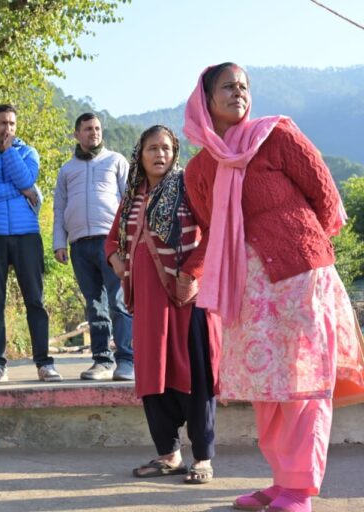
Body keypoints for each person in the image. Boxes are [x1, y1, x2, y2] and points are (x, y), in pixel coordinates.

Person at [183, 63, 364, 511]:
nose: (238, 92)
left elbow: (323, 193)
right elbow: (211, 227)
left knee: (304, 384)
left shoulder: (276, 135)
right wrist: (193, 273)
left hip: (300, 277)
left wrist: (300, 248)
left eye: (244, 86)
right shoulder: (200, 169)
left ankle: (299, 490)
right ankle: (282, 480)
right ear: (205, 100)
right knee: (269, 389)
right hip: (248, 288)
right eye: (228, 86)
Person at [105, 125, 218, 485]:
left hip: (186, 298)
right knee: (154, 377)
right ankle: (168, 453)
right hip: (148, 305)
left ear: (175, 153)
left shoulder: (188, 187)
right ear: (140, 154)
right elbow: (111, 240)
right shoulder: (132, 196)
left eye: (166, 148)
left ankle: (202, 457)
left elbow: (211, 231)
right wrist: (116, 261)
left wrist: (191, 274)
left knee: (194, 375)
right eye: (152, 148)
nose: (160, 154)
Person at [0, 104, 61, 384]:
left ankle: (44, 363)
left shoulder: (28, 153)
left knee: (36, 300)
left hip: (26, 235)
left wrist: (9, 154)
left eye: (12, 123)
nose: (7, 128)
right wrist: (21, 192)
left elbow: (27, 179)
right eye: (2, 123)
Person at [53, 112, 135, 381]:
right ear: (77, 134)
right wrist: (59, 243)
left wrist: (129, 240)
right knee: (94, 305)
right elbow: (59, 207)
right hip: (79, 245)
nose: (94, 132)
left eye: (97, 128)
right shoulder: (67, 170)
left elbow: (129, 201)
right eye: (88, 129)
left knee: (118, 301)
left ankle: (127, 360)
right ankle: (102, 361)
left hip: (111, 242)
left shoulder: (116, 161)